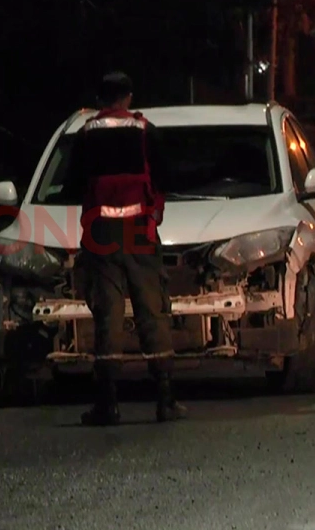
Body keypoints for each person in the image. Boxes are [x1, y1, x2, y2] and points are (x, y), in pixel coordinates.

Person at [61, 71, 187, 426]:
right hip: (139, 233)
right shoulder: (145, 131)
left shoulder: (86, 134)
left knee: (108, 313)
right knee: (151, 309)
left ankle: (108, 404)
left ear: (101, 99)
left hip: (102, 236)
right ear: (129, 97)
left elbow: (72, 185)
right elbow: (167, 178)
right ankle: (165, 399)